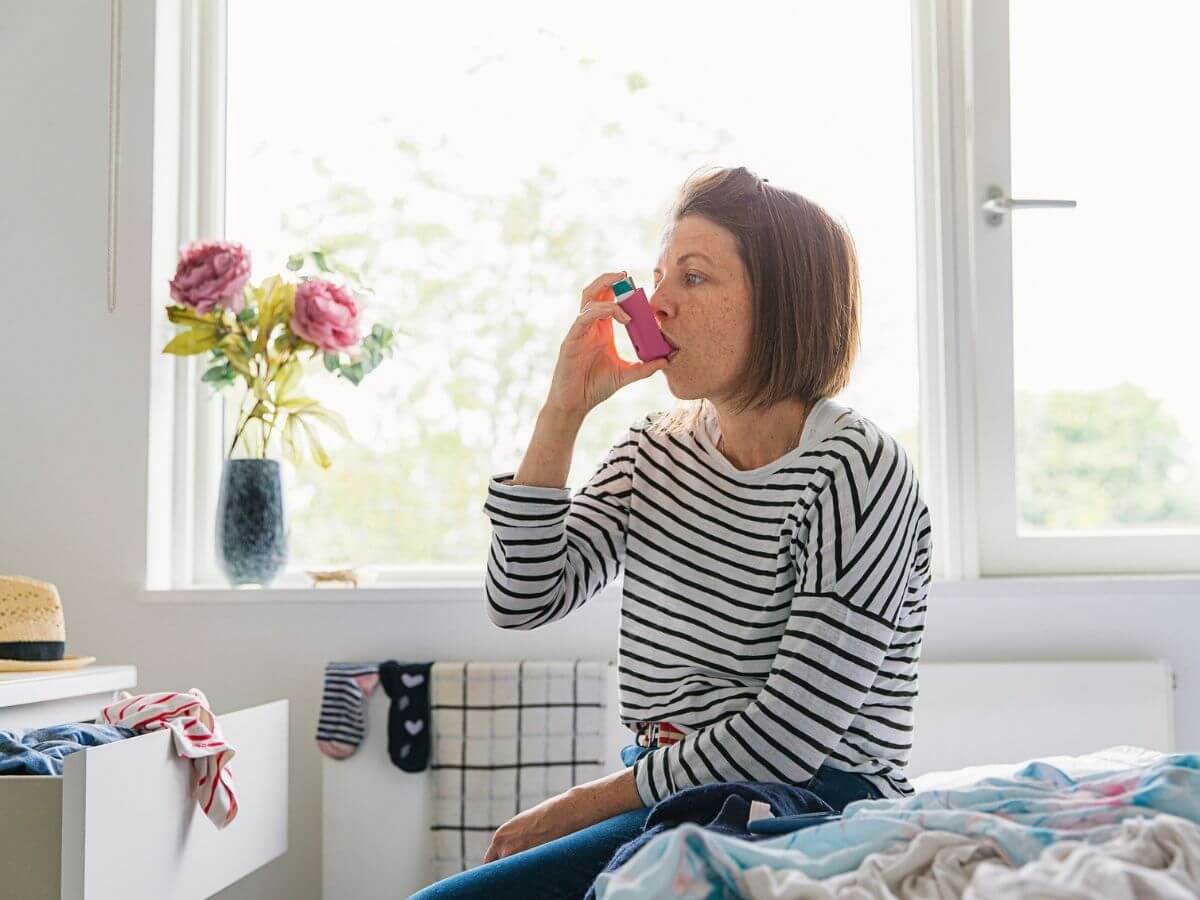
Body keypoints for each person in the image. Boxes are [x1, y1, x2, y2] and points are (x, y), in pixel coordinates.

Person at [411, 166, 932, 899]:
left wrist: (580, 804)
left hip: (812, 802)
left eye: (693, 277)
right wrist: (563, 411)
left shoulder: (855, 469)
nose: (656, 305)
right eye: (658, 279)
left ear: (782, 304)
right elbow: (522, 598)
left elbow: (787, 739)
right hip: (672, 795)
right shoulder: (655, 450)